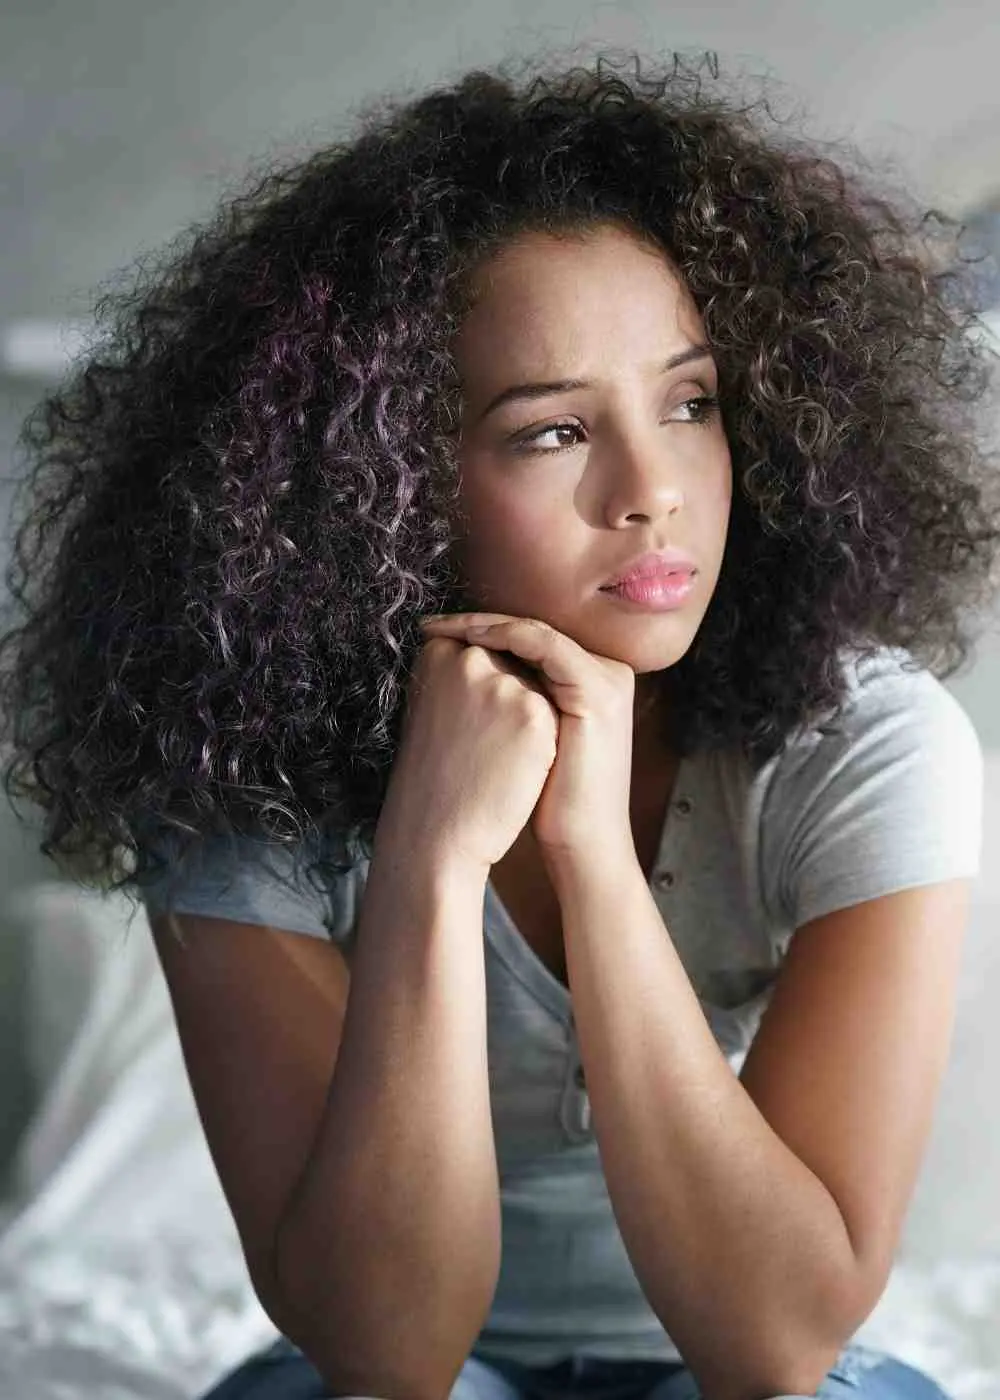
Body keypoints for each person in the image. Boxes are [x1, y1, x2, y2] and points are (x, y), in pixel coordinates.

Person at [0, 48, 997, 1400]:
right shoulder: (242, 768)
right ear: (385, 488)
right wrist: (424, 853)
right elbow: (387, 1354)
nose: (653, 491)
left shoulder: (865, 742)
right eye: (547, 434)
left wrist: (589, 849)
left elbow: (778, 1346)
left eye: (690, 401)